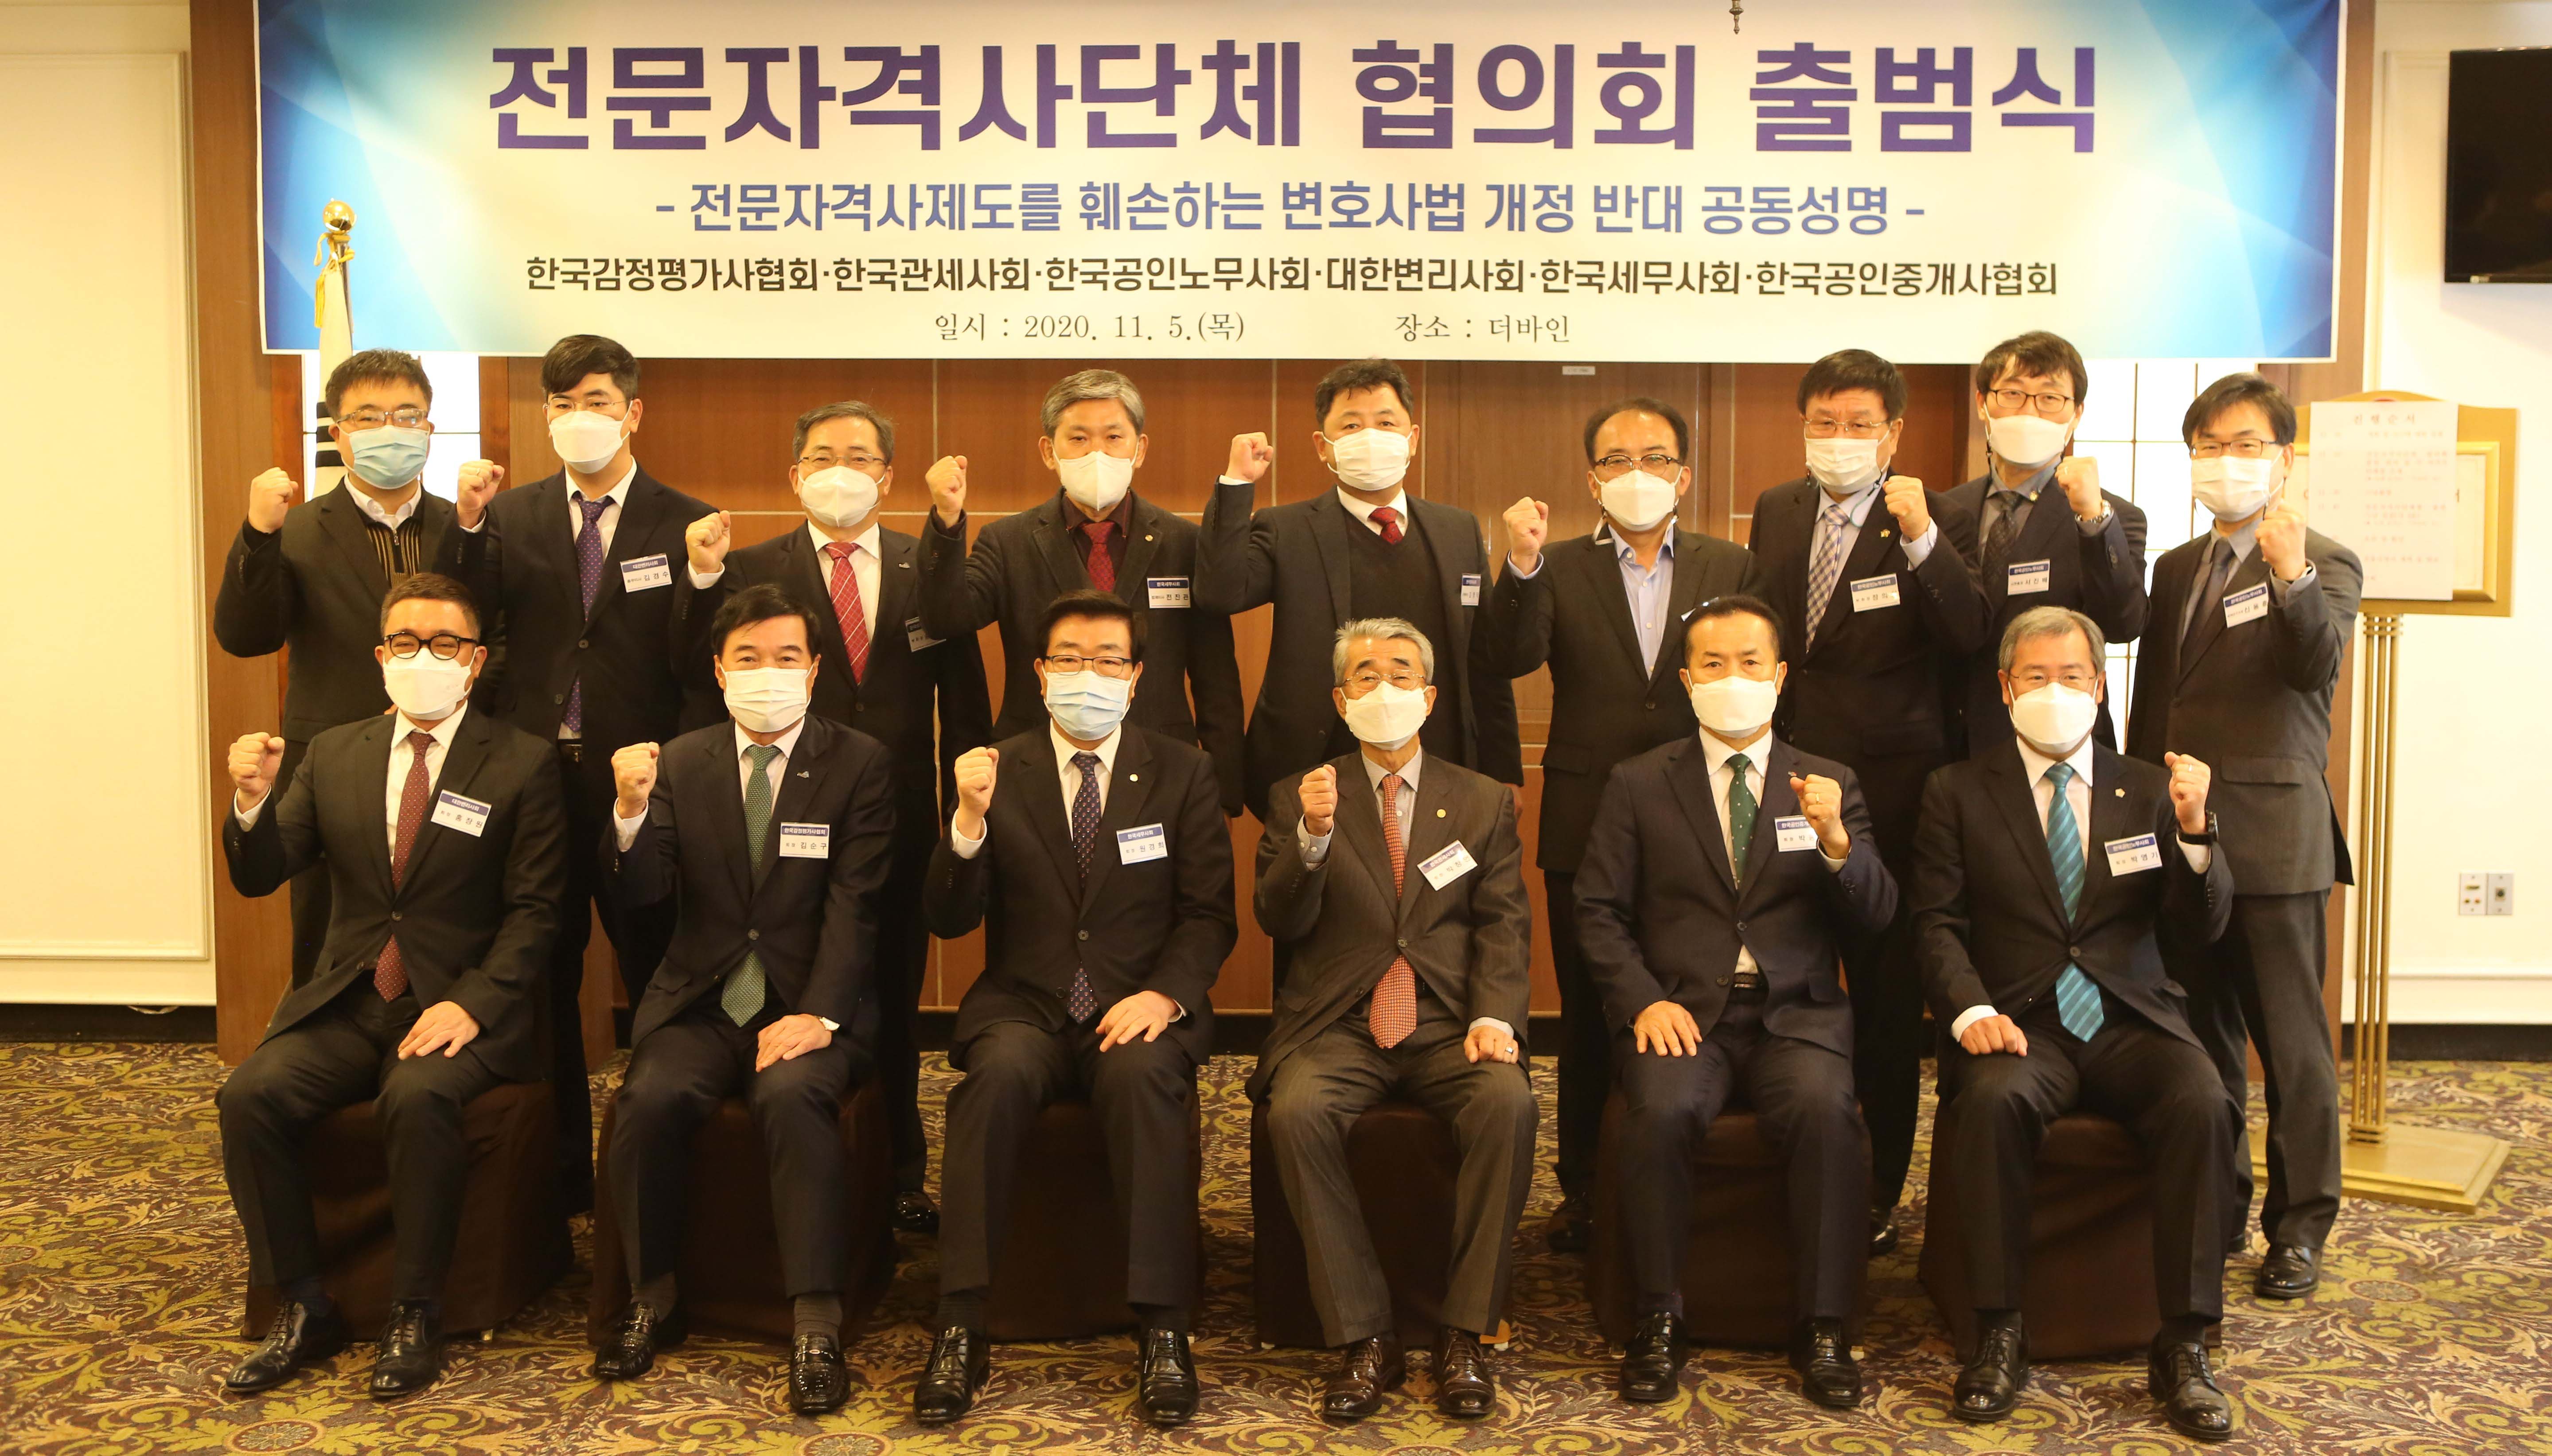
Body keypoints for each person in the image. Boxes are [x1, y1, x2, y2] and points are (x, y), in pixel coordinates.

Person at [213, 573, 567, 1400]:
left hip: (460, 1004)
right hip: (351, 999)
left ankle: (416, 1308)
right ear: (381, 656)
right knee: (249, 1096)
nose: (424, 658)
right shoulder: (336, 752)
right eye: (406, 642)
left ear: (474, 660)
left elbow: (538, 912)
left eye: (444, 644)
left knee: (416, 1096)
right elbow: (263, 872)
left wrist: (472, 1003)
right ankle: (302, 1301)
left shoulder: (522, 761)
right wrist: (252, 802)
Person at [1913, 604, 2240, 1441]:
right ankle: (1997, 1330)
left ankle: (2183, 1341)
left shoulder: (2149, 787)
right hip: (2018, 1021)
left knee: (2201, 1100)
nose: (2053, 691)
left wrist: (2195, 833)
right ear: (2004, 687)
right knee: (1992, 1101)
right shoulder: (1957, 790)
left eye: (2070, 676)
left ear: (2098, 686)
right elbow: (1935, 923)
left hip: (2128, 1016)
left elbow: (2196, 928)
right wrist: (1970, 1010)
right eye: (2035, 676)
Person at [912, 589, 1236, 1429]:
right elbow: (947, 917)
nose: (1085, 674)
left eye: (1105, 660)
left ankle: (1163, 1328)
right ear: (1039, 670)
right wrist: (966, 822)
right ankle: (960, 1321)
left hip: (1137, 1002)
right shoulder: (997, 767)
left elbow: (1208, 915)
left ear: (1134, 676)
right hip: (1024, 1002)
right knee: (993, 1082)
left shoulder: (1182, 771)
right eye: (1068, 658)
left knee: (1142, 1080)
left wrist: (1164, 995)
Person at [1573, 595, 1897, 1410]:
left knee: (1825, 1114)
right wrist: (1641, 1002)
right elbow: (1596, 911)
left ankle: (1823, 1324)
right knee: (1657, 1112)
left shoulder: (1828, 782)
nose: (1732, 678)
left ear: (1779, 675)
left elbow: (1876, 916)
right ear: (1686, 681)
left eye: (1749, 662)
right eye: (1712, 664)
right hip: (1681, 1012)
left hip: (1798, 1014)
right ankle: (1656, 1316)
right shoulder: (1638, 782)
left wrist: (1838, 846)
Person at [676, 400, 993, 1233]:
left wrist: (965, 806)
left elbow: (963, 700)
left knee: (889, 992)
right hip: (780, 817)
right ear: (794, 475)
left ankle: (898, 1171)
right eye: (822, 456)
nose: (840, 470)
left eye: (859, 456)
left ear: (887, 477)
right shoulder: (751, 566)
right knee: (791, 983)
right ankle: (790, 1164)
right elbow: (703, 679)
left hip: (901, 817)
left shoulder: (929, 566)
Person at [590, 583, 897, 1414]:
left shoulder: (859, 762)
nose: (769, 672)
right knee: (648, 1098)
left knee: (794, 1099)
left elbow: (856, 903)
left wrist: (821, 1014)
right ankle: (651, 1297)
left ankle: (815, 1322)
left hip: (808, 1001)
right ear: (720, 671)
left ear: (815, 668)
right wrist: (628, 812)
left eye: (786, 657)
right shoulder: (680, 760)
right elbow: (643, 895)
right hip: (701, 1000)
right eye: (749, 658)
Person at [1479, 395, 1765, 1253]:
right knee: (1588, 1007)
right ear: (1591, 478)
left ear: (1683, 473)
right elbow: (1506, 657)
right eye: (1615, 459)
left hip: (1697, 818)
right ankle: (1581, 1189)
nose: (1635, 473)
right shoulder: (1558, 563)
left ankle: (1680, 1167)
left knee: (1683, 994)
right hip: (1585, 812)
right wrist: (1519, 563)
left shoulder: (1730, 562)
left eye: (1653, 457)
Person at [443, 334, 718, 1211]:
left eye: (595, 401)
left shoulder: (687, 520)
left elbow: (699, 665)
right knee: (540, 969)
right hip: (533, 777)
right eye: (562, 404)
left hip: (641, 779)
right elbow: (463, 622)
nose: (578, 418)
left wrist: (706, 578)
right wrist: (466, 528)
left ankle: (660, 1154)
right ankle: (560, 1169)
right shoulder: (509, 516)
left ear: (632, 412)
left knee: (657, 961)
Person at [1252, 618, 1535, 1423]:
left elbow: (1503, 922)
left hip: (1448, 1019)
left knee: (1507, 1103)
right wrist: (1311, 839)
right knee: (1296, 1110)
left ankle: (1463, 1331)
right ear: (1340, 698)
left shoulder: (1481, 799)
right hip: (1338, 1019)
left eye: (1401, 673)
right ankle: (1363, 1334)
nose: (1385, 688)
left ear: (1430, 695)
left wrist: (1495, 1015)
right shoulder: (1301, 793)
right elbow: (1278, 919)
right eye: (1366, 675)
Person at [1747, 348, 1991, 1254]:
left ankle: (1879, 1185)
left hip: (1889, 794)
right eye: (1823, 423)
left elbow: (1968, 632)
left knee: (1887, 998)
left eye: (1858, 425)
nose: (1838, 439)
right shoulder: (1776, 506)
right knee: (1785, 969)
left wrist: (1922, 538)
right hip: (1786, 781)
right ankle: (1787, 1160)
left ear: (1891, 433)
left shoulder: (1938, 514)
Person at [2125, 372, 2362, 1297]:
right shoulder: (2175, 566)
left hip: (2272, 836)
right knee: (2200, 1033)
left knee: (2291, 1046)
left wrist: (2289, 573)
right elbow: (2157, 700)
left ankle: (2298, 1227)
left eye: (2243, 445)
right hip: (2182, 835)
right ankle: (2217, 1200)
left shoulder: (2323, 562)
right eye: (2208, 446)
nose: (2224, 461)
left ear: (2282, 458)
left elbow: (2312, 666)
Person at [214, 348, 458, 984]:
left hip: (450, 755)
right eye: (369, 417)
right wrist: (257, 534)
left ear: (429, 428)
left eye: (407, 415)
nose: (390, 429)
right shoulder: (294, 530)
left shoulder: (465, 529)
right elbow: (245, 637)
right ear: (338, 433)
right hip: (332, 758)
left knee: (450, 922)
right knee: (326, 931)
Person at [1197, 357, 1522, 822]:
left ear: (1412, 438)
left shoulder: (1458, 530)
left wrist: (1503, 767)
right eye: (1351, 425)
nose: (1370, 436)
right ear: (1323, 446)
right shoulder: (1286, 529)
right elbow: (1219, 594)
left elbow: (1484, 659)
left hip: (1442, 762)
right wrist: (1237, 485)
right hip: (1314, 766)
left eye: (1386, 423)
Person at [917, 368, 1246, 815]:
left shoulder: (1185, 543)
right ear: (1048, 452)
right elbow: (946, 618)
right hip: (1033, 765)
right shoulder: (1008, 541)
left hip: (1162, 765)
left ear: (1139, 449)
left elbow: (1216, 680)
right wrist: (947, 520)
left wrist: (1223, 794)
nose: (1097, 453)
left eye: (1113, 437)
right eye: (1078, 439)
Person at [1941, 331, 2148, 754]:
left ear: (2076, 414)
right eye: (2012, 394)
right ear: (1982, 403)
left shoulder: (2112, 517)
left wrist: (2093, 519)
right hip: (1955, 740)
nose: (2029, 412)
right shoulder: (1943, 510)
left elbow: (2122, 625)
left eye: (2049, 398)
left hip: (2064, 740)